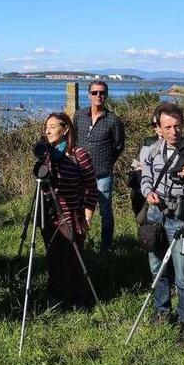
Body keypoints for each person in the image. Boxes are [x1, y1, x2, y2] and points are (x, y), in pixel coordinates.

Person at [140, 103, 184, 336]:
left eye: (177, 126)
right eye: (168, 127)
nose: (174, 132)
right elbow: (145, 176)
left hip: (181, 217)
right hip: (155, 213)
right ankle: (162, 311)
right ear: (159, 128)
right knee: (157, 267)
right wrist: (147, 192)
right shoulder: (152, 150)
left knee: (183, 275)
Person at [40, 112, 99, 309]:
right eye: (46, 126)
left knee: (73, 261)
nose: (48, 130)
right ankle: (55, 299)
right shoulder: (46, 155)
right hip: (49, 216)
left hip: (72, 215)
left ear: (65, 129)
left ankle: (79, 301)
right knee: (53, 259)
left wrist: (87, 219)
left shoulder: (78, 154)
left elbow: (91, 188)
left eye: (53, 126)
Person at [73, 79, 125, 253]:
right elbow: (73, 140)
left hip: (102, 174)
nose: (98, 96)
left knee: (105, 212)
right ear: (89, 95)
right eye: (95, 92)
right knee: (79, 209)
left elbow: (119, 146)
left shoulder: (113, 120)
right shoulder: (79, 116)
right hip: (80, 173)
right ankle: (79, 244)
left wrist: (106, 161)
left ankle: (106, 247)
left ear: (106, 95)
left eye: (102, 93)